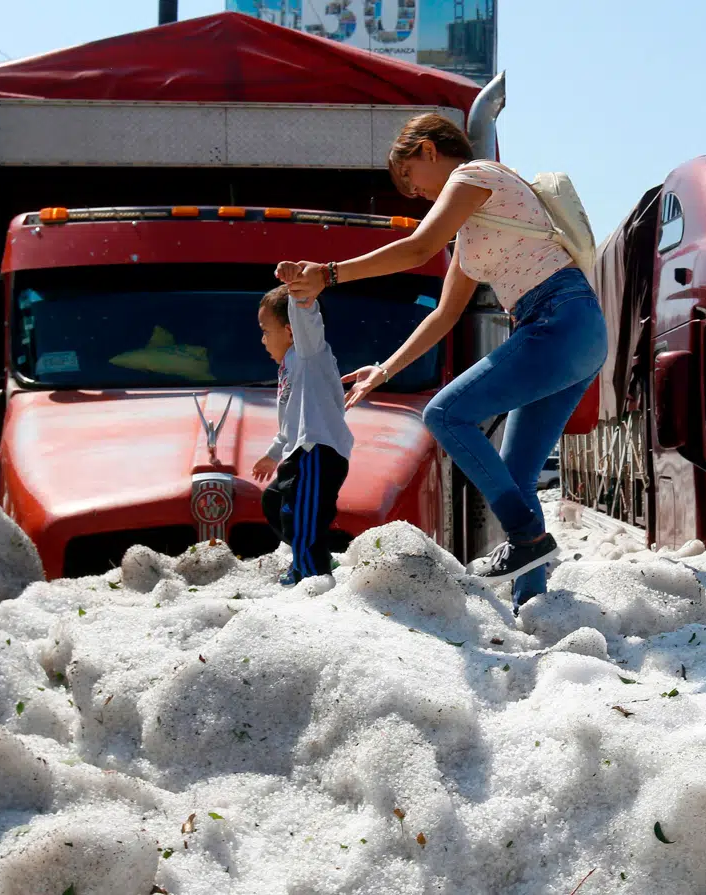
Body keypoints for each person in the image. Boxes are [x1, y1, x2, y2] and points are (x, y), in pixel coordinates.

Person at [275, 113, 607, 608]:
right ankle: (532, 605)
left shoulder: (475, 175)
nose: (417, 194)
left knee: (445, 414)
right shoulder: (472, 235)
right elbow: (444, 315)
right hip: (573, 330)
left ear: (429, 150)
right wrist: (385, 368)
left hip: (558, 319)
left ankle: (528, 538)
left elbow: (418, 249)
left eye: (412, 178)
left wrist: (330, 273)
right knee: (516, 474)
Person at [252, 286, 353, 587]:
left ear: (290, 331)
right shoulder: (289, 366)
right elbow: (290, 421)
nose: (262, 340)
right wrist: (273, 453)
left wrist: (299, 289)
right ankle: (315, 558)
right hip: (299, 451)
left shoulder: (308, 354)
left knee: (302, 516)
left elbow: (306, 319)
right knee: (274, 501)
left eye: (266, 331)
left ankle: (310, 577)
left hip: (318, 451)